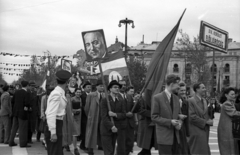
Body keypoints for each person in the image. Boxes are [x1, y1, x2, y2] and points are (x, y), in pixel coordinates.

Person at [151, 74, 183, 155]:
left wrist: (180, 122)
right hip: (164, 138)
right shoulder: (157, 98)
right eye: (178, 84)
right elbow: (154, 117)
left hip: (176, 138)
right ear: (172, 84)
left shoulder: (176, 98)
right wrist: (170, 122)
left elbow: (179, 114)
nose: (179, 87)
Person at [44, 70, 71, 155]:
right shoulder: (57, 94)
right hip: (54, 124)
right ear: (67, 82)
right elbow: (51, 114)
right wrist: (53, 132)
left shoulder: (60, 93)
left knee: (57, 152)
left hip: (58, 123)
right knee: (54, 152)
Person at [100, 80, 127, 155]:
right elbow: (104, 117)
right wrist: (111, 126)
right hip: (106, 129)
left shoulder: (121, 100)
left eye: (118, 87)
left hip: (116, 129)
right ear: (110, 89)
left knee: (112, 151)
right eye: (115, 87)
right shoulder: (105, 100)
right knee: (108, 151)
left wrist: (115, 114)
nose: (117, 88)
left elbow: (124, 114)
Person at [188, 83, 212, 155]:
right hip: (196, 130)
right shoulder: (191, 100)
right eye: (203, 88)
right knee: (197, 150)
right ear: (197, 89)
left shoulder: (204, 100)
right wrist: (206, 122)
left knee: (204, 150)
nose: (205, 89)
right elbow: (192, 116)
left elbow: (205, 114)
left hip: (204, 130)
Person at [218, 87, 240, 155]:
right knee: (228, 149)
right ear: (226, 95)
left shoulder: (231, 103)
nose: (234, 96)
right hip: (226, 131)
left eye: (234, 94)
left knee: (232, 149)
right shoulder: (227, 104)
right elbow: (234, 113)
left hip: (229, 130)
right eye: (231, 94)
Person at [85, 80, 104, 155]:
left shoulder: (105, 95)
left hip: (102, 117)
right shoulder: (91, 95)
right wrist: (89, 115)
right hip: (93, 117)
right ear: (96, 87)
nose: (102, 87)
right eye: (100, 86)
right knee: (91, 133)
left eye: (103, 86)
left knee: (101, 132)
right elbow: (86, 107)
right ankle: (90, 149)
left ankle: (100, 145)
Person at [9, 80, 30, 147]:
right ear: (27, 85)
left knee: (14, 128)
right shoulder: (26, 93)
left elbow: (12, 101)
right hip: (22, 113)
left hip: (15, 112)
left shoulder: (16, 92)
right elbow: (27, 103)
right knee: (22, 129)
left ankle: (11, 141)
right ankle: (23, 143)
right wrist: (27, 107)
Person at [125, 86, 139, 155]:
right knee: (125, 141)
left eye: (133, 92)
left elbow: (136, 111)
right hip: (124, 122)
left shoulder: (133, 99)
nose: (132, 93)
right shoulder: (124, 98)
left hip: (131, 122)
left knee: (130, 140)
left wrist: (136, 102)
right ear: (127, 91)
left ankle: (128, 151)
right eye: (131, 91)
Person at [177, 82, 190, 154]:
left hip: (183, 129)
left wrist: (188, 134)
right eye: (181, 90)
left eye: (184, 90)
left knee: (184, 150)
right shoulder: (172, 100)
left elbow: (187, 119)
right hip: (174, 128)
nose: (183, 92)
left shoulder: (185, 102)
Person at [80, 81, 92, 151]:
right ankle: (83, 145)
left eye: (90, 87)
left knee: (88, 131)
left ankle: (85, 144)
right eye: (88, 87)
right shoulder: (82, 96)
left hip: (90, 115)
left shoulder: (91, 95)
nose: (89, 88)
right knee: (85, 130)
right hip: (84, 116)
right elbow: (83, 106)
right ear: (84, 88)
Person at [71, 88, 82, 155]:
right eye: (77, 92)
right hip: (73, 118)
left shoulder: (80, 99)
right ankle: (75, 148)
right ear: (75, 92)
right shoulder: (72, 99)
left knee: (76, 133)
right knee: (75, 133)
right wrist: (76, 110)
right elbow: (69, 108)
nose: (78, 93)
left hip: (79, 118)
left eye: (79, 92)